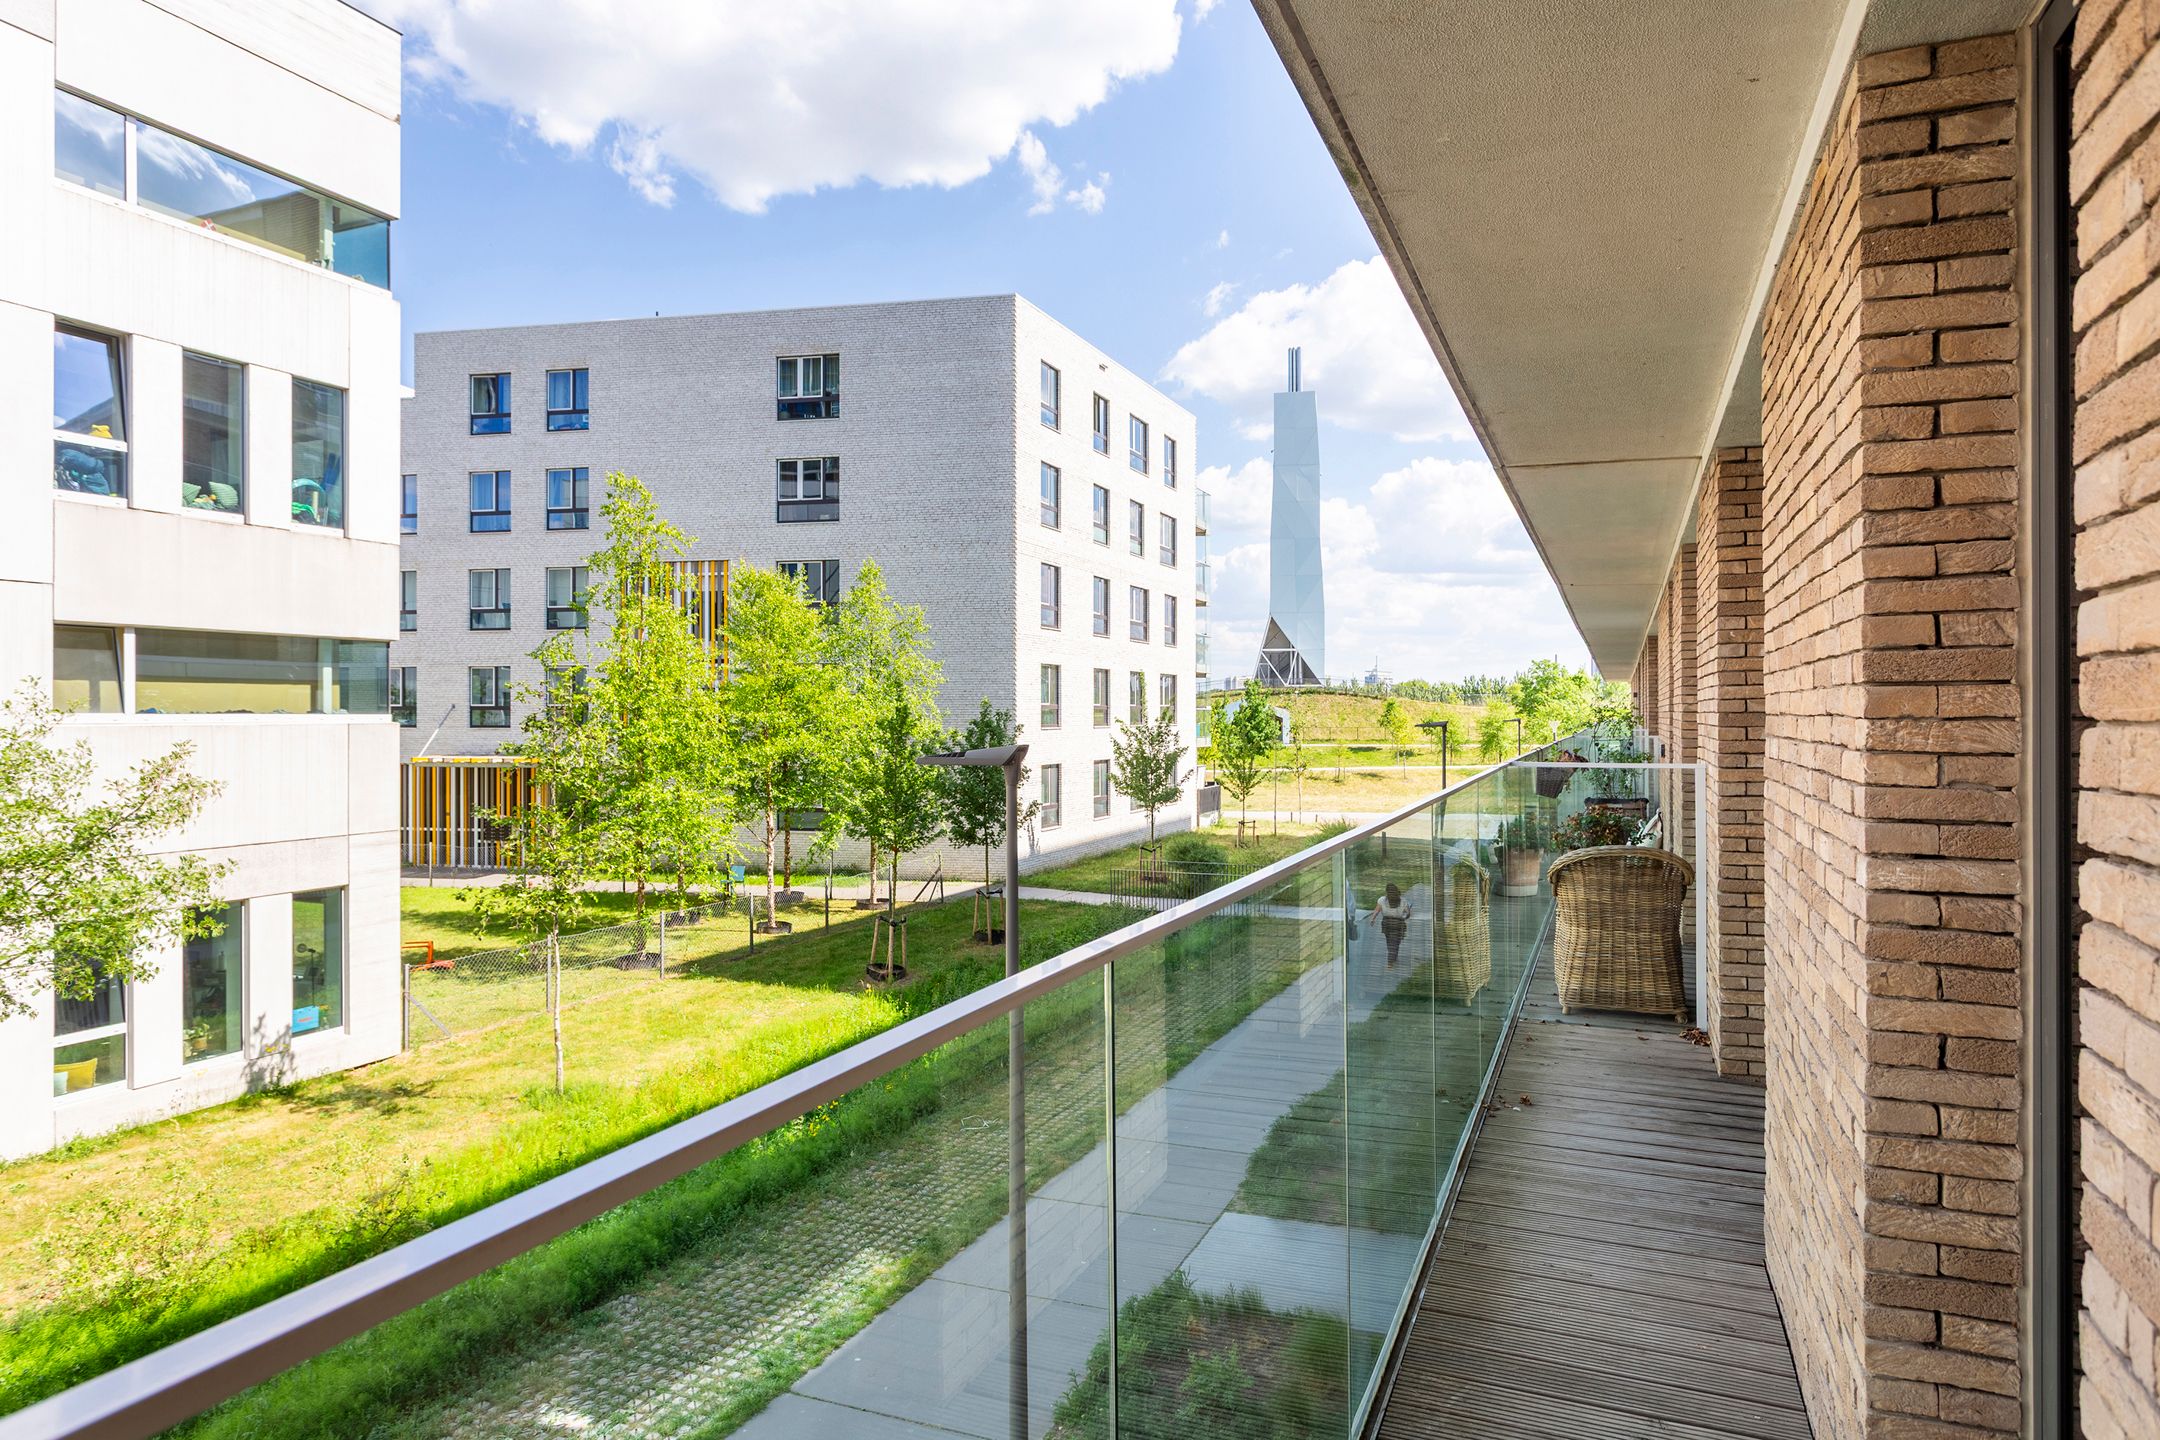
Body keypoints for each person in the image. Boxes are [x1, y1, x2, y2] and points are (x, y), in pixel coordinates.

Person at [1370, 882, 1412, 968]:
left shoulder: (1382, 900)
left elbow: (1377, 910)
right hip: (1399, 924)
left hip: (1387, 923)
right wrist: (1405, 916)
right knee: (1396, 942)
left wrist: (1373, 918)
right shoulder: (1403, 901)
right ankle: (1391, 959)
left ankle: (1392, 958)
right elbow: (1408, 913)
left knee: (1389, 941)